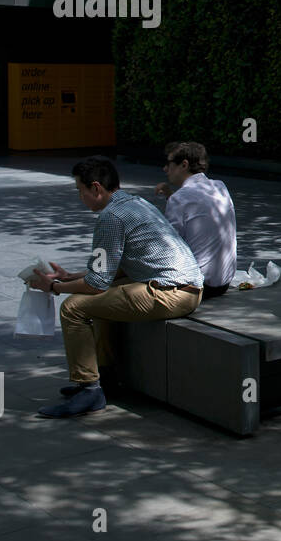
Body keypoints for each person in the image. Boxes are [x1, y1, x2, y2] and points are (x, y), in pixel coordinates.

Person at [28, 156, 204, 418]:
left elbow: (96, 284)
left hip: (170, 293)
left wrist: (53, 287)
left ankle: (89, 390)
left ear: (96, 188)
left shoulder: (110, 218)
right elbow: (111, 269)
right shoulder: (135, 203)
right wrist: (68, 277)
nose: (80, 197)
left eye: (80, 190)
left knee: (73, 308)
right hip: (186, 287)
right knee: (96, 303)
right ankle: (104, 378)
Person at [156, 141, 237, 299]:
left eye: (169, 163)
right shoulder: (220, 186)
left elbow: (170, 246)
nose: (165, 168)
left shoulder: (180, 198)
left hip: (197, 286)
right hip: (223, 282)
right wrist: (170, 196)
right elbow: (195, 210)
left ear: (184, 165)